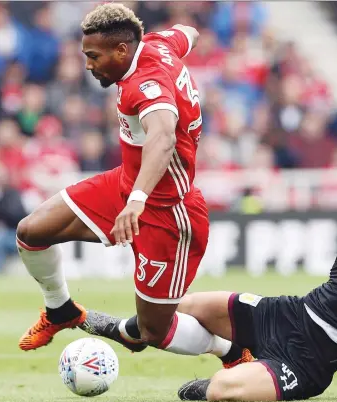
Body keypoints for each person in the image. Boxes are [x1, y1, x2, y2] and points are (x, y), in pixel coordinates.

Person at [80, 159, 337, 402]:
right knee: (177, 306)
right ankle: (127, 331)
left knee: (222, 390)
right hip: (289, 313)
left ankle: (229, 359)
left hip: (313, 361)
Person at [15, 3, 251, 368]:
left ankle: (232, 350)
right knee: (31, 231)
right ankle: (60, 309)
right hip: (126, 183)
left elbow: (163, 139)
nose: (89, 65)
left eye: (94, 56)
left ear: (122, 51)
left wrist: (137, 200)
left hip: (168, 212)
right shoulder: (158, 43)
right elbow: (189, 33)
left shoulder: (145, 85)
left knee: (152, 332)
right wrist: (134, 193)